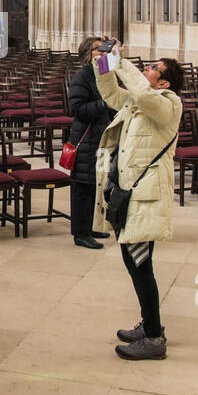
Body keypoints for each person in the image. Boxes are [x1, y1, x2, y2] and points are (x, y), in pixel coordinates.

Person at [92, 41, 184, 361]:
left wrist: (121, 61)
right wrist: (103, 63)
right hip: (128, 194)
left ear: (165, 82)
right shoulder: (138, 102)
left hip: (145, 197)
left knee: (141, 266)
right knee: (134, 265)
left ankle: (155, 338)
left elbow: (143, 94)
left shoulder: (167, 103)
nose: (147, 68)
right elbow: (111, 94)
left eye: (153, 68)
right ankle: (149, 324)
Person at [67, 37, 115, 250]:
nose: (102, 53)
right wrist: (103, 104)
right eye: (98, 49)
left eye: (103, 49)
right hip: (86, 138)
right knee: (83, 187)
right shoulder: (83, 76)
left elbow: (115, 66)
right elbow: (77, 109)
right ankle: (80, 233)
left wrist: (115, 47)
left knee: (97, 185)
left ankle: (90, 226)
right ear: (87, 53)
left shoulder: (104, 73)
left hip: (102, 136)